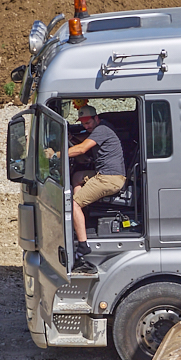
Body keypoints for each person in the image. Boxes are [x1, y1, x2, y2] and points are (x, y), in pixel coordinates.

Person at [46, 105, 126, 274]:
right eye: (83, 123)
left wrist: (55, 155)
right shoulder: (99, 129)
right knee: (77, 176)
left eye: (88, 122)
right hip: (104, 174)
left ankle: (83, 246)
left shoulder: (102, 129)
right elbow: (83, 147)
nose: (86, 126)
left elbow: (82, 149)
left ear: (96, 118)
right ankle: (80, 218)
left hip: (109, 178)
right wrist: (72, 138)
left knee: (73, 205)